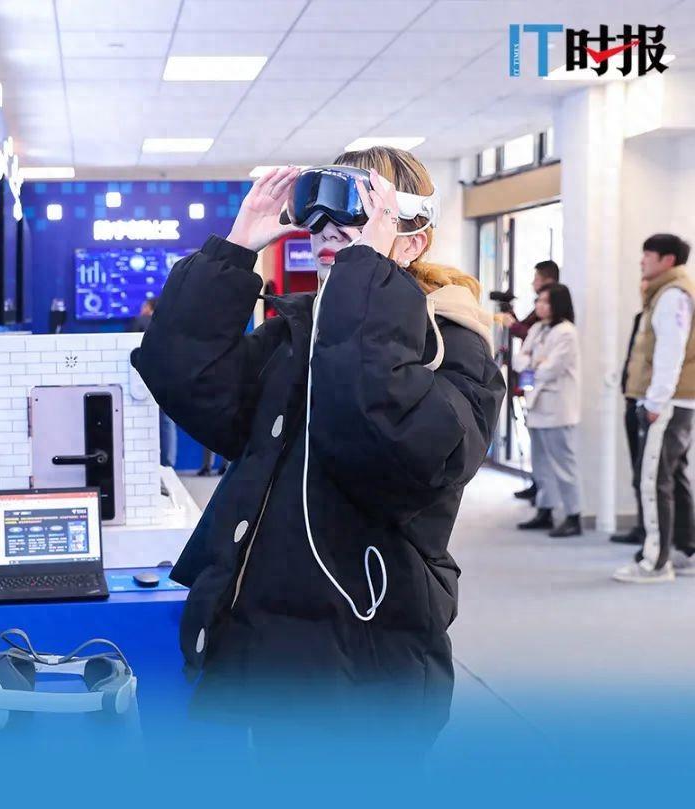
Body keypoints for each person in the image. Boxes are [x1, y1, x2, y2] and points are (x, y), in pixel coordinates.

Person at [132, 149, 504, 742]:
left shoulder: (452, 349)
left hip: (367, 659)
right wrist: (235, 251)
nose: (328, 231)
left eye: (357, 214)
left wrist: (363, 278)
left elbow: (388, 447)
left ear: (411, 241)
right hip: (274, 647)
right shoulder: (298, 333)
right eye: (317, 213)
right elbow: (185, 378)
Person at [614, 233, 695, 583]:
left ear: (667, 260)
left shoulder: (672, 295)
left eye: (647, 255)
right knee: (673, 476)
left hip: (668, 403)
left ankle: (656, 563)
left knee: (652, 480)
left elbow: (670, 352)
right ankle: (685, 550)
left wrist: (657, 401)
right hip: (676, 401)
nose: (641, 261)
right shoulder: (668, 293)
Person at [512, 285, 582, 537]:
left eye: (544, 301)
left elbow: (551, 369)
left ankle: (573, 515)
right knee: (540, 464)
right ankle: (545, 510)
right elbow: (518, 361)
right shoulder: (538, 328)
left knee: (563, 464)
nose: (539, 305)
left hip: (557, 407)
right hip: (536, 405)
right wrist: (534, 362)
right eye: (538, 300)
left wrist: (532, 363)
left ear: (557, 304)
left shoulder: (567, 332)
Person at [502, 259, 560, 502]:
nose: (539, 305)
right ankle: (539, 488)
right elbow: (523, 354)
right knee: (536, 444)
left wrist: (527, 358)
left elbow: (535, 355)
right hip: (532, 386)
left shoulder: (561, 330)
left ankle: (546, 495)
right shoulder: (539, 326)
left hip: (549, 395)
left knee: (551, 451)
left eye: (536, 279)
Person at [611, 310, 646, 545]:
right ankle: (643, 526)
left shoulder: (672, 310)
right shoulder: (640, 317)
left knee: (654, 474)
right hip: (633, 401)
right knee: (638, 470)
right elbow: (633, 356)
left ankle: (661, 533)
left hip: (652, 404)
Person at [129, 297, 177, 469]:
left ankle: (144, 463)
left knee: (139, 418)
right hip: (169, 374)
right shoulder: (171, 323)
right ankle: (168, 464)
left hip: (143, 377)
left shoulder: (139, 321)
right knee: (167, 421)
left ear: (149, 308)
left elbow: (130, 345)